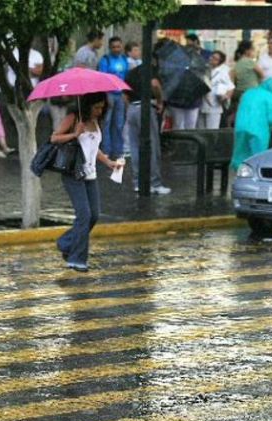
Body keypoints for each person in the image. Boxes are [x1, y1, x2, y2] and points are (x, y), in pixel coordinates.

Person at [50, 92, 120, 272]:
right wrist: (75, 134)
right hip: (73, 173)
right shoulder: (74, 118)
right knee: (84, 215)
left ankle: (66, 242)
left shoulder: (97, 122)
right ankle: (76, 259)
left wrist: (108, 162)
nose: (99, 110)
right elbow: (54, 138)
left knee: (94, 214)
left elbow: (93, 148)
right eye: (96, 107)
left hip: (91, 174)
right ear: (88, 105)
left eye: (102, 107)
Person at [124, 61, 172, 195]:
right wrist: (160, 100)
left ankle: (137, 182)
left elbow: (125, 95)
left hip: (132, 108)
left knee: (134, 147)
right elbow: (155, 84)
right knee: (153, 145)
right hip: (146, 107)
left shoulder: (131, 73)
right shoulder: (150, 70)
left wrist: (130, 109)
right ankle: (154, 183)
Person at [231, 78, 272, 172]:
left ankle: (239, 171)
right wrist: (271, 126)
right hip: (259, 128)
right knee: (258, 154)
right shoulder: (269, 96)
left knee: (241, 151)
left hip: (240, 126)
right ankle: (256, 172)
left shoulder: (248, 93)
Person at [98, 36, 129, 160]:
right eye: (114, 47)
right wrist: (105, 96)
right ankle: (106, 150)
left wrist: (126, 93)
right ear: (110, 48)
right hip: (109, 94)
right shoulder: (105, 60)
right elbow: (102, 78)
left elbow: (126, 77)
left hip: (120, 94)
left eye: (118, 46)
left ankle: (118, 150)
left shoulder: (124, 60)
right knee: (107, 123)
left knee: (119, 124)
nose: (116, 49)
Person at [230, 40, 265, 125]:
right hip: (251, 92)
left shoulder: (237, 63)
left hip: (239, 91)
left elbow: (232, 78)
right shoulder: (250, 62)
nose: (254, 51)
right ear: (247, 51)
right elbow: (262, 74)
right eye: (252, 49)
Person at [199, 50, 235, 130]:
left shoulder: (223, 72)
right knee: (200, 130)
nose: (211, 59)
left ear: (220, 62)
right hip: (202, 103)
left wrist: (225, 96)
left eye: (215, 59)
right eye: (212, 57)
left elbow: (231, 87)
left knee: (212, 130)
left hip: (214, 105)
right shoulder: (204, 69)